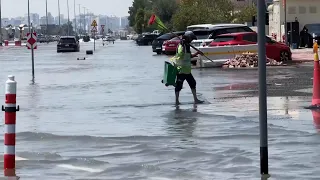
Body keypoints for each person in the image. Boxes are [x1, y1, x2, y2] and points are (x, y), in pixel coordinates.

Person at [170, 31, 204, 105]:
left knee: (193, 83)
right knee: (179, 85)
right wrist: (183, 47)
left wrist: (197, 53)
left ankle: (195, 99)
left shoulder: (186, 45)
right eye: (191, 39)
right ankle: (176, 101)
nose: (191, 40)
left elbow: (188, 55)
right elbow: (181, 55)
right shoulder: (182, 45)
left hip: (186, 70)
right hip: (181, 69)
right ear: (188, 38)